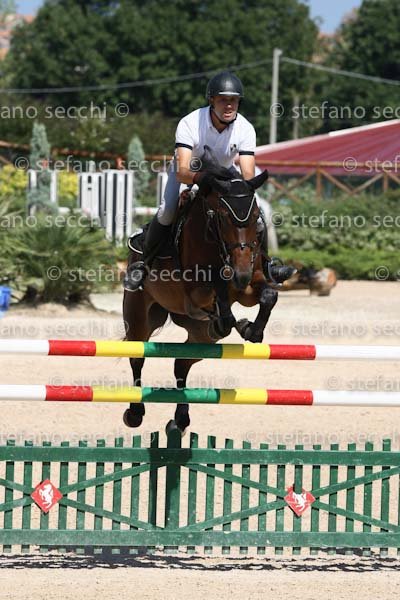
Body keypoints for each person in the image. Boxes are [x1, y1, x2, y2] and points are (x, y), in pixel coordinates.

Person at [124, 71, 295, 291]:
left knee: (258, 213)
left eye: (233, 100)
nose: (229, 105)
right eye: (223, 100)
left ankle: (267, 266)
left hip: (224, 174)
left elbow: (247, 174)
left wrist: (244, 190)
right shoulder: (190, 123)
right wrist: (202, 179)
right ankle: (143, 265)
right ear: (212, 100)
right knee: (167, 211)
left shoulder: (245, 128)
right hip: (189, 172)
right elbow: (183, 170)